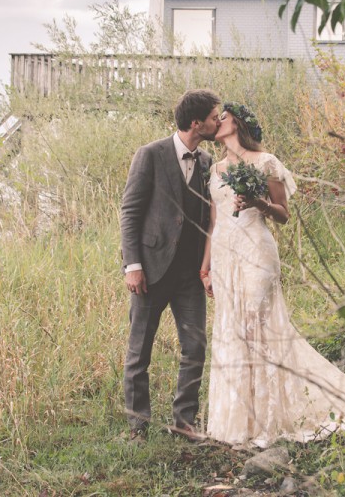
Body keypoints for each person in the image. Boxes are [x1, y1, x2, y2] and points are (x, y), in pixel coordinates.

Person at [200, 102, 345, 449]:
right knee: (232, 331)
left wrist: (256, 203)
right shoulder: (215, 169)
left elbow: (283, 214)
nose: (217, 121)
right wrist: (205, 267)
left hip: (256, 254)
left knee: (255, 327)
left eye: (223, 116)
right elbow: (213, 222)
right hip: (223, 258)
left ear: (239, 123)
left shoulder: (265, 162)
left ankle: (269, 417)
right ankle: (238, 421)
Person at [120, 89, 221, 442]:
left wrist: (208, 268)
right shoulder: (150, 154)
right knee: (139, 349)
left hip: (190, 274)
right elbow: (130, 211)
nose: (217, 122)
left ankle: (184, 421)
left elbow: (212, 218)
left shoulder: (208, 161)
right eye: (213, 117)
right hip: (150, 269)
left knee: (195, 348)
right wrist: (132, 264)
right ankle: (137, 425)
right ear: (197, 123)